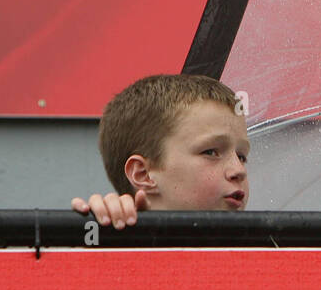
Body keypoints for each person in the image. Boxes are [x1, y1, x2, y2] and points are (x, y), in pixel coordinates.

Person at [72, 74, 250, 227]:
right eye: (211, 152)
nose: (239, 170)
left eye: (241, 156)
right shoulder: (101, 246)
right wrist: (99, 228)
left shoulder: (270, 250)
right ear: (143, 174)